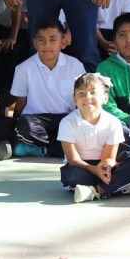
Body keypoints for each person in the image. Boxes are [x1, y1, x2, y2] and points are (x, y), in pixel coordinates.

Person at [58, 73, 130, 203]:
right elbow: (73, 159)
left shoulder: (113, 122)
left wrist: (107, 167)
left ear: (105, 98)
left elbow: (109, 157)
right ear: (74, 99)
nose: (87, 97)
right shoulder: (67, 122)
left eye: (93, 92)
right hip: (81, 166)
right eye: (81, 93)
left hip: (104, 165)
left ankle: (97, 190)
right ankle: (124, 186)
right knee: (72, 176)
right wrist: (94, 170)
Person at [10, 18, 84, 158]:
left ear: (62, 42)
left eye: (53, 40)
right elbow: (21, 103)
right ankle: (61, 147)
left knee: (83, 129)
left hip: (66, 119)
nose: (47, 45)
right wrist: (16, 126)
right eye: (41, 40)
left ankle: (42, 150)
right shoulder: (23, 68)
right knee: (24, 126)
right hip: (36, 121)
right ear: (34, 43)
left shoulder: (75, 65)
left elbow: (81, 99)